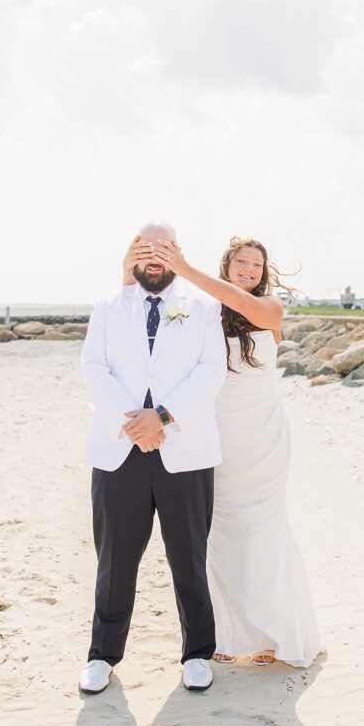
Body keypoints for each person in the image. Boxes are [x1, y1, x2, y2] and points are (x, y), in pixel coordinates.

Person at [123, 233, 323, 668]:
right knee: (218, 531)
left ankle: (275, 632)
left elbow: (243, 305)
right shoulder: (205, 310)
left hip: (262, 433)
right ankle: (228, 634)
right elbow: (163, 345)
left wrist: (186, 269)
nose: (249, 270)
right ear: (228, 266)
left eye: (256, 265)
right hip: (215, 432)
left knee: (262, 527)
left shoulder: (270, 308)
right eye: (241, 263)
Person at [79, 220, 227, 695]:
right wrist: (134, 424)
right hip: (119, 447)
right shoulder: (107, 307)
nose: (152, 259)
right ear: (131, 256)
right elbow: (93, 369)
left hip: (184, 449)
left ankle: (198, 654)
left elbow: (210, 373)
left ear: (177, 254)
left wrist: (160, 417)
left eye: (162, 251)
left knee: (189, 557)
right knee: (115, 560)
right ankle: (102, 656)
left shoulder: (202, 307)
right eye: (143, 251)